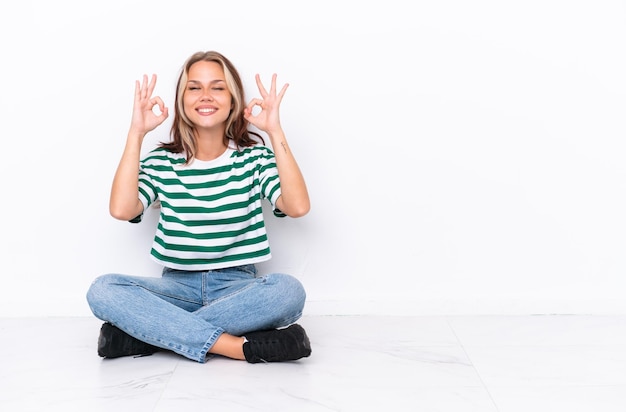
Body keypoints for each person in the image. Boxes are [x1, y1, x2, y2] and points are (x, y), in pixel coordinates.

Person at [86, 50, 312, 364]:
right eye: (194, 87)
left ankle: (143, 334)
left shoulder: (254, 159)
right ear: (182, 100)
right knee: (103, 290)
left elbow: (297, 206)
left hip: (238, 287)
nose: (205, 95)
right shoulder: (162, 162)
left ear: (233, 100)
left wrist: (275, 131)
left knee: (288, 291)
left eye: (217, 87)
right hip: (176, 288)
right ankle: (236, 347)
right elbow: (123, 210)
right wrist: (136, 133)